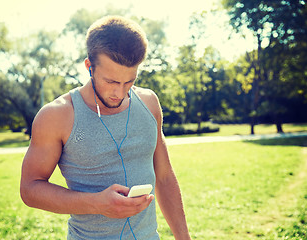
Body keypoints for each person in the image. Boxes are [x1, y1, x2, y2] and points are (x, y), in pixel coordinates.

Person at [20, 15, 192, 240]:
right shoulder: (57, 116)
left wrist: (184, 238)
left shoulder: (149, 103)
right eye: (111, 81)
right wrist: (96, 204)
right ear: (89, 66)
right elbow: (30, 189)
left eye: (129, 81)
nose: (119, 93)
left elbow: (165, 176)